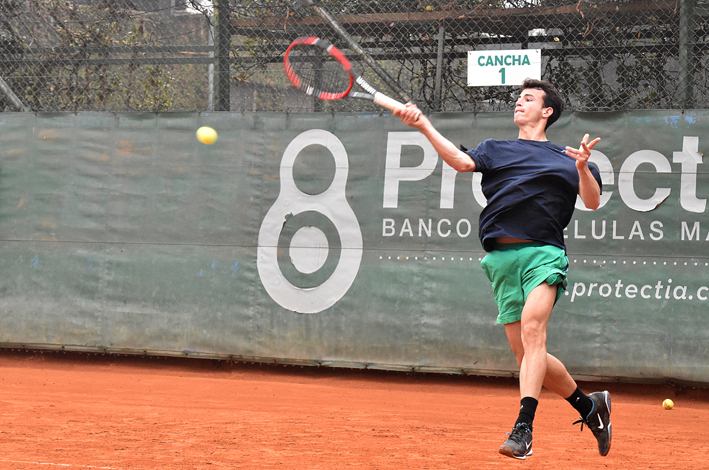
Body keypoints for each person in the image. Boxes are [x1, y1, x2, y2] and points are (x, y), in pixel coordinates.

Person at [394, 78, 611, 460]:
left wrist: (581, 167)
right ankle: (590, 407)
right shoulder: (496, 149)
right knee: (529, 355)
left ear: (547, 112)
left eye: (528, 99)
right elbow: (461, 162)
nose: (518, 103)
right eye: (517, 98)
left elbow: (592, 202)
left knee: (532, 331)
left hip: (544, 253)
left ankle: (523, 429)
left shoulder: (568, 157)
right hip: (500, 259)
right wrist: (424, 125)